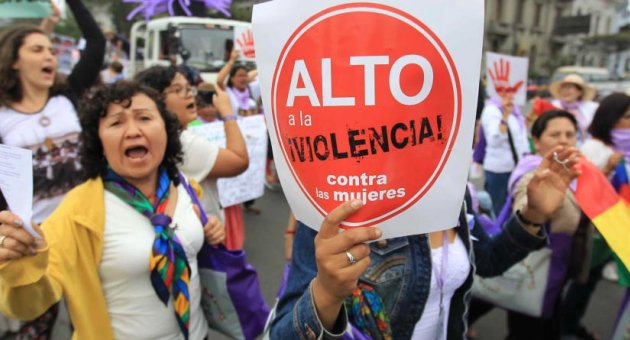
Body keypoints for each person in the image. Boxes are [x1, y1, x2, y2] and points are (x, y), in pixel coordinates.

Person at [269, 146, 582, 339]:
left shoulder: (451, 192)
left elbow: (487, 260)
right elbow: (284, 332)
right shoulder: (340, 208)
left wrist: (532, 215)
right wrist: (327, 292)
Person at [0, 81, 225, 339]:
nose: (132, 131)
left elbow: (190, 244)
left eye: (144, 117)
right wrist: (20, 264)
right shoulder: (78, 211)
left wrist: (210, 230)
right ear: (99, 141)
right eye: (116, 123)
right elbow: (28, 305)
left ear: (165, 128)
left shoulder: (186, 186)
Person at [0, 0, 105, 336]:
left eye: (50, 49)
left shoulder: (69, 96)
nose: (49, 56)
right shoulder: (3, 116)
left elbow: (97, 42)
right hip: (35, 240)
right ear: (15, 61)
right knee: (34, 323)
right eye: (37, 50)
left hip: (85, 226)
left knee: (90, 315)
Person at [500, 111, 588, 339]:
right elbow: (522, 211)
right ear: (537, 141)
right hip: (533, 274)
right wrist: (534, 211)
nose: (564, 140)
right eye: (555, 134)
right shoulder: (532, 175)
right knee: (528, 330)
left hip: (557, 272)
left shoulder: (575, 173)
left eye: (570, 134)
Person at [563, 93, 630, 340]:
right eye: (626, 116)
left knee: (590, 283)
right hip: (594, 231)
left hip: (617, 230)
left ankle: (572, 324)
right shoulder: (593, 149)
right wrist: (607, 169)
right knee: (580, 282)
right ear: (610, 118)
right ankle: (564, 327)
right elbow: (579, 191)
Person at [134, 66, 249, 222]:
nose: (188, 94)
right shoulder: (184, 142)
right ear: (155, 100)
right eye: (177, 89)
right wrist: (227, 113)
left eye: (189, 88)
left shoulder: (159, 137)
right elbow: (239, 161)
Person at [481, 85, 530, 215]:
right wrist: (505, 117)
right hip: (499, 171)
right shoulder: (492, 110)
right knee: (499, 212)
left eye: (513, 90)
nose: (510, 94)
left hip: (516, 168)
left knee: (513, 211)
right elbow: (494, 140)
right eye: (505, 90)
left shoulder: (516, 111)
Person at [547, 74, 599, 143]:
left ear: (579, 92)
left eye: (569, 88)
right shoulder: (552, 105)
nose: (565, 91)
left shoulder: (592, 107)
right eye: (563, 88)